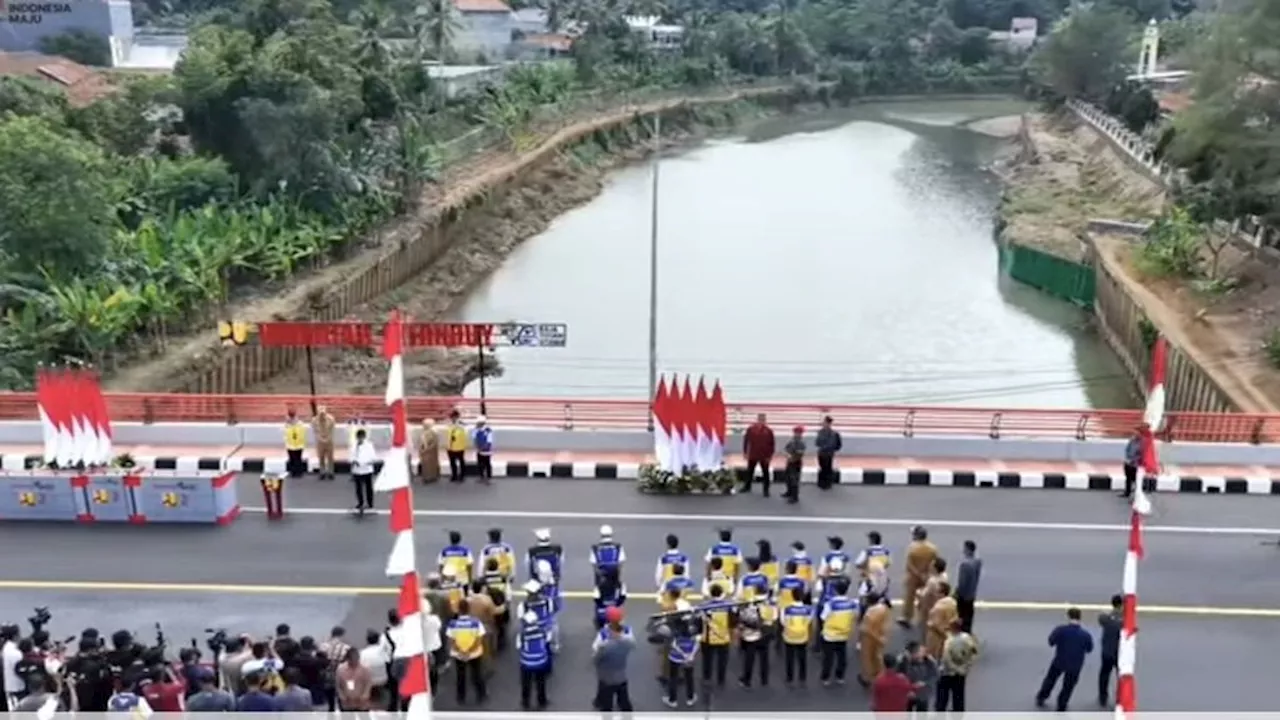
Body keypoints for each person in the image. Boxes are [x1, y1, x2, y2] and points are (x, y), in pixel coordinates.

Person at [1036, 607, 1094, 712]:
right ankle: (1062, 704)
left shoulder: (1061, 630)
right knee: (1068, 686)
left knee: (1050, 679)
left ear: (1068, 617)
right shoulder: (1085, 635)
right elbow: (1089, 649)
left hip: (1059, 661)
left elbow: (1051, 642)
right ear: (1080, 618)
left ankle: (1042, 696)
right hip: (1075, 665)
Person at [592, 606, 635, 712]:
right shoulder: (628, 633)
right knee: (623, 697)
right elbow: (632, 645)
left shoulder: (603, 637)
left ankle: (600, 702)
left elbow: (596, 653)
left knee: (606, 703)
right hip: (621, 669)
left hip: (606, 673)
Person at [447, 600, 488, 705]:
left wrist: (461, 651)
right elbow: (479, 639)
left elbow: (451, 640)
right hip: (474, 653)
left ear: (458, 610)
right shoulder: (476, 623)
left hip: (458, 654)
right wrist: (469, 651)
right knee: (477, 674)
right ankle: (481, 695)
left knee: (461, 676)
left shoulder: (453, 624)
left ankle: (461, 697)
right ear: (468, 609)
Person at [818, 577, 856, 686]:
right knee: (841, 657)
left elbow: (823, 617)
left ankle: (826, 678)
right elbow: (853, 616)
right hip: (843, 634)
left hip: (830, 635)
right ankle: (840, 676)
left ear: (835, 590)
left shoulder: (830, 604)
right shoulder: (852, 603)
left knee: (828, 658)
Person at [900, 526, 938, 628]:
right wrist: (926, 574)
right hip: (926, 575)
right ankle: (925, 617)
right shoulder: (932, 548)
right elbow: (934, 563)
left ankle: (907, 617)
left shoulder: (912, 548)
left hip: (913, 577)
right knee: (926, 597)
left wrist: (917, 573)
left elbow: (909, 565)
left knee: (909, 598)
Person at [664, 602, 700, 708]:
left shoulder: (672, 625)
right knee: (689, 678)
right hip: (689, 657)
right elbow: (697, 642)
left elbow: (673, 644)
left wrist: (683, 654)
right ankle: (690, 698)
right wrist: (690, 655)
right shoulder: (693, 627)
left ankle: (672, 700)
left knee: (673, 678)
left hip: (675, 657)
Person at [937, 619, 978, 712]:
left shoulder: (949, 641)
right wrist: (966, 666)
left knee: (942, 697)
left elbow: (946, 658)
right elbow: (974, 652)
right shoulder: (967, 638)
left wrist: (955, 668)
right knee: (959, 696)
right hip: (961, 671)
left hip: (947, 673)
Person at [516, 610, 551, 710]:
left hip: (527, 663)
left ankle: (525, 702)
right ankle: (542, 700)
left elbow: (518, 646)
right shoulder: (542, 631)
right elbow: (547, 640)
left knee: (526, 683)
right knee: (541, 682)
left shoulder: (523, 634)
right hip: (541, 661)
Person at [699, 584, 733, 688]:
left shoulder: (704, 606)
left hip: (708, 638)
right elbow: (733, 621)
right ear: (722, 593)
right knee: (722, 660)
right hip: (724, 637)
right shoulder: (729, 606)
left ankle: (707, 678)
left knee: (707, 660)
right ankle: (721, 679)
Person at [780, 587, 813, 687]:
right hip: (802, 636)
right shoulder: (808, 609)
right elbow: (809, 621)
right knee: (802, 657)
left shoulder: (787, 609)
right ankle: (802, 677)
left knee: (789, 657)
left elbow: (782, 621)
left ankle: (790, 677)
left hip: (789, 636)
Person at [859, 594, 893, 687]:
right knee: (877, 656)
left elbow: (866, 628)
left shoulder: (870, 612)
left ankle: (868, 678)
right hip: (880, 635)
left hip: (869, 638)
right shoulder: (884, 609)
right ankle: (880, 675)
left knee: (867, 657)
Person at [736, 598, 770, 688]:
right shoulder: (767, 608)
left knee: (749, 659)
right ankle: (764, 679)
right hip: (764, 636)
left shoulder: (744, 611)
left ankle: (747, 680)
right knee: (764, 659)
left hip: (750, 637)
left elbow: (740, 623)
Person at [898, 641, 938, 713]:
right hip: (907, 695)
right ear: (913, 653)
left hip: (923, 694)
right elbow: (898, 677)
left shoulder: (929, 661)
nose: (924, 652)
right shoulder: (903, 662)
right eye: (920, 651)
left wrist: (925, 683)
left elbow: (935, 676)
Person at [1098, 594, 1123, 707]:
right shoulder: (1124, 620)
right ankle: (1120, 698)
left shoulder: (1106, 618)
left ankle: (1103, 697)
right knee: (1121, 677)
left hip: (1107, 651)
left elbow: (1101, 616)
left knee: (1104, 675)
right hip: (1120, 653)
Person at [742, 413, 775, 495]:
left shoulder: (769, 431)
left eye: (763, 419)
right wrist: (745, 452)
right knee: (750, 471)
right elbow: (746, 441)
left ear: (765, 420)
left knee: (765, 473)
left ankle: (766, 490)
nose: (762, 421)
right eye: (760, 419)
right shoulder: (751, 429)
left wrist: (770, 456)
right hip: (753, 454)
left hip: (764, 456)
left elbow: (772, 444)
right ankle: (747, 487)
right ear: (757, 419)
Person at [955, 540, 982, 634]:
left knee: (961, 614)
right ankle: (968, 630)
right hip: (972, 592)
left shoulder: (964, 564)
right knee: (969, 613)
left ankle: (962, 631)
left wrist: (957, 593)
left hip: (964, 595)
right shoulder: (978, 561)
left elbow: (962, 582)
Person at [926, 581, 958, 659]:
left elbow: (935, 625)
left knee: (933, 657)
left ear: (942, 594)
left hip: (936, 638)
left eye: (937, 592)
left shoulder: (939, 607)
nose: (934, 594)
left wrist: (930, 624)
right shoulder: (953, 602)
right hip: (949, 631)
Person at [350, 428, 377, 516]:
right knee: (358, 488)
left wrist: (364, 463)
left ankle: (370, 504)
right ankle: (360, 503)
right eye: (358, 438)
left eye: (361, 437)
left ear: (364, 437)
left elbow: (373, 457)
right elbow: (351, 456)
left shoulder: (369, 445)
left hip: (367, 469)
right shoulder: (354, 446)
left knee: (369, 488)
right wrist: (354, 461)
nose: (360, 439)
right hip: (357, 470)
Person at [593, 566, 627, 632]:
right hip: (616, 613)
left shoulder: (600, 585)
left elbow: (596, 599)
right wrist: (615, 605)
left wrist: (604, 606)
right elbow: (622, 598)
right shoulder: (621, 585)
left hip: (602, 613)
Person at [814, 415, 842, 489]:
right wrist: (822, 446)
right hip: (821, 453)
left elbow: (832, 444)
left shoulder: (833, 434)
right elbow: (817, 443)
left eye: (825, 423)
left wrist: (824, 447)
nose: (824, 424)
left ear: (829, 424)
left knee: (828, 468)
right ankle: (822, 482)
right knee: (822, 467)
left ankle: (827, 483)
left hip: (828, 453)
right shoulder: (820, 432)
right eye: (824, 422)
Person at [312, 405, 336, 480]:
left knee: (330, 458)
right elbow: (315, 431)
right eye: (320, 413)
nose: (322, 415)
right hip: (320, 441)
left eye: (323, 413)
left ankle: (331, 472)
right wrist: (321, 439)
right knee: (321, 457)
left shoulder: (331, 419)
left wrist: (327, 439)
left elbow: (332, 431)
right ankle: (322, 472)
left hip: (329, 441)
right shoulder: (314, 420)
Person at [782, 426, 805, 503]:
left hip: (796, 463)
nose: (797, 434)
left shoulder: (801, 443)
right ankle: (789, 492)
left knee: (794, 480)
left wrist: (792, 458)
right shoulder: (791, 441)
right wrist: (787, 455)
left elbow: (800, 454)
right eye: (796, 432)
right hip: (789, 461)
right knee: (788, 477)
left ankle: (794, 497)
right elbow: (785, 449)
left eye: (799, 433)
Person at [284, 409, 307, 478]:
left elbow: (300, 433)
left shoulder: (296, 424)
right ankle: (295, 472)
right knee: (294, 459)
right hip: (293, 444)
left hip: (295, 444)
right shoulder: (291, 424)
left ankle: (297, 472)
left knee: (296, 459)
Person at [446, 410, 468, 482]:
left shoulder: (462, 425)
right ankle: (454, 475)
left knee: (461, 462)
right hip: (450, 447)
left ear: (457, 417)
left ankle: (462, 475)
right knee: (452, 462)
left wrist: (458, 426)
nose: (452, 418)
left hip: (459, 447)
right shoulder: (449, 424)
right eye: (451, 417)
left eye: (454, 417)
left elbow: (464, 434)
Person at [472, 415, 495, 483]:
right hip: (479, 450)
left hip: (486, 451)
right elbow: (474, 438)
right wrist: (477, 447)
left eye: (478, 423)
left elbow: (489, 442)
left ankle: (489, 478)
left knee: (487, 464)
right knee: (480, 464)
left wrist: (482, 448)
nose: (477, 424)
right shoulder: (476, 430)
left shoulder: (488, 430)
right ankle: (481, 477)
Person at [1122, 425, 1143, 498]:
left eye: (1137, 432)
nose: (1135, 433)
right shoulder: (1132, 440)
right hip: (1128, 461)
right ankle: (1127, 492)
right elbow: (1127, 449)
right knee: (1128, 478)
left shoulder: (1142, 443)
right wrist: (1127, 458)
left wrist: (1134, 460)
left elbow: (1141, 454)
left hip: (1135, 463)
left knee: (1135, 479)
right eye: (1135, 432)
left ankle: (1136, 495)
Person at [417, 419, 441, 483]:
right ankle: (426, 477)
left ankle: (431, 477)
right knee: (425, 466)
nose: (423, 425)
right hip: (424, 452)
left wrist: (427, 448)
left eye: (425, 424)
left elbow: (435, 442)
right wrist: (421, 449)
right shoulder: (424, 432)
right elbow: (421, 441)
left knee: (431, 465)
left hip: (430, 452)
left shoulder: (434, 432)